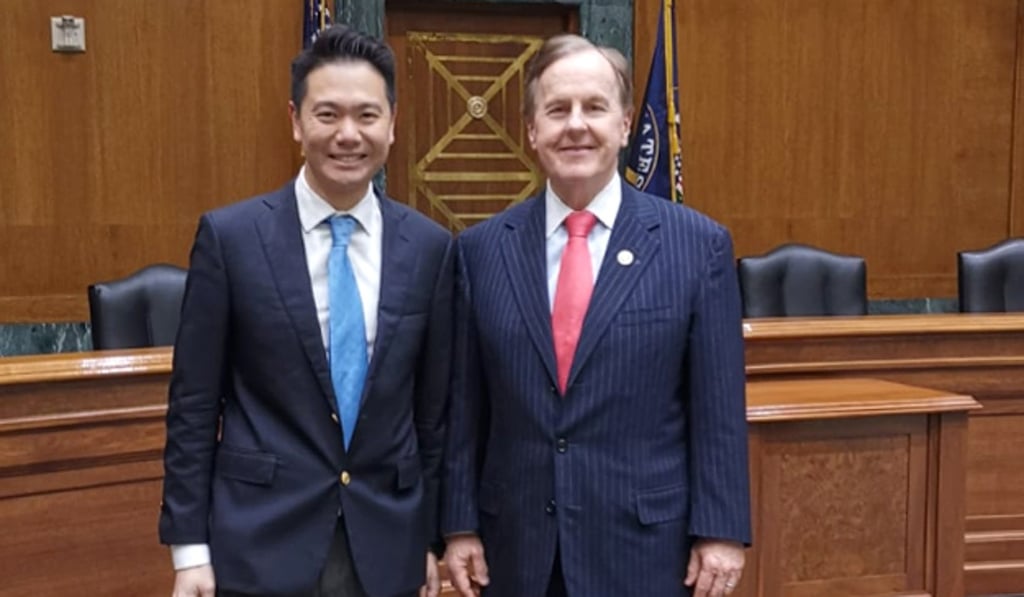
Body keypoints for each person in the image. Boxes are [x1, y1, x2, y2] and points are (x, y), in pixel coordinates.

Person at [442, 34, 751, 597]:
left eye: (595, 107)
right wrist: (459, 525)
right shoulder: (481, 250)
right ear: (532, 130)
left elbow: (718, 408)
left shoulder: (696, 246)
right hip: (516, 548)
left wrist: (722, 532)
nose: (576, 125)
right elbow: (467, 407)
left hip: (646, 549)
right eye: (557, 110)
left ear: (626, 124)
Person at [159, 24, 452, 597]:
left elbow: (432, 417)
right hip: (259, 542)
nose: (348, 134)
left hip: (388, 544)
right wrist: (188, 551)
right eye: (327, 115)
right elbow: (194, 405)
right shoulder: (232, 238)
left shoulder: (431, 249)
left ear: (391, 124)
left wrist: (430, 537)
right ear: (296, 121)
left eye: (367, 116)